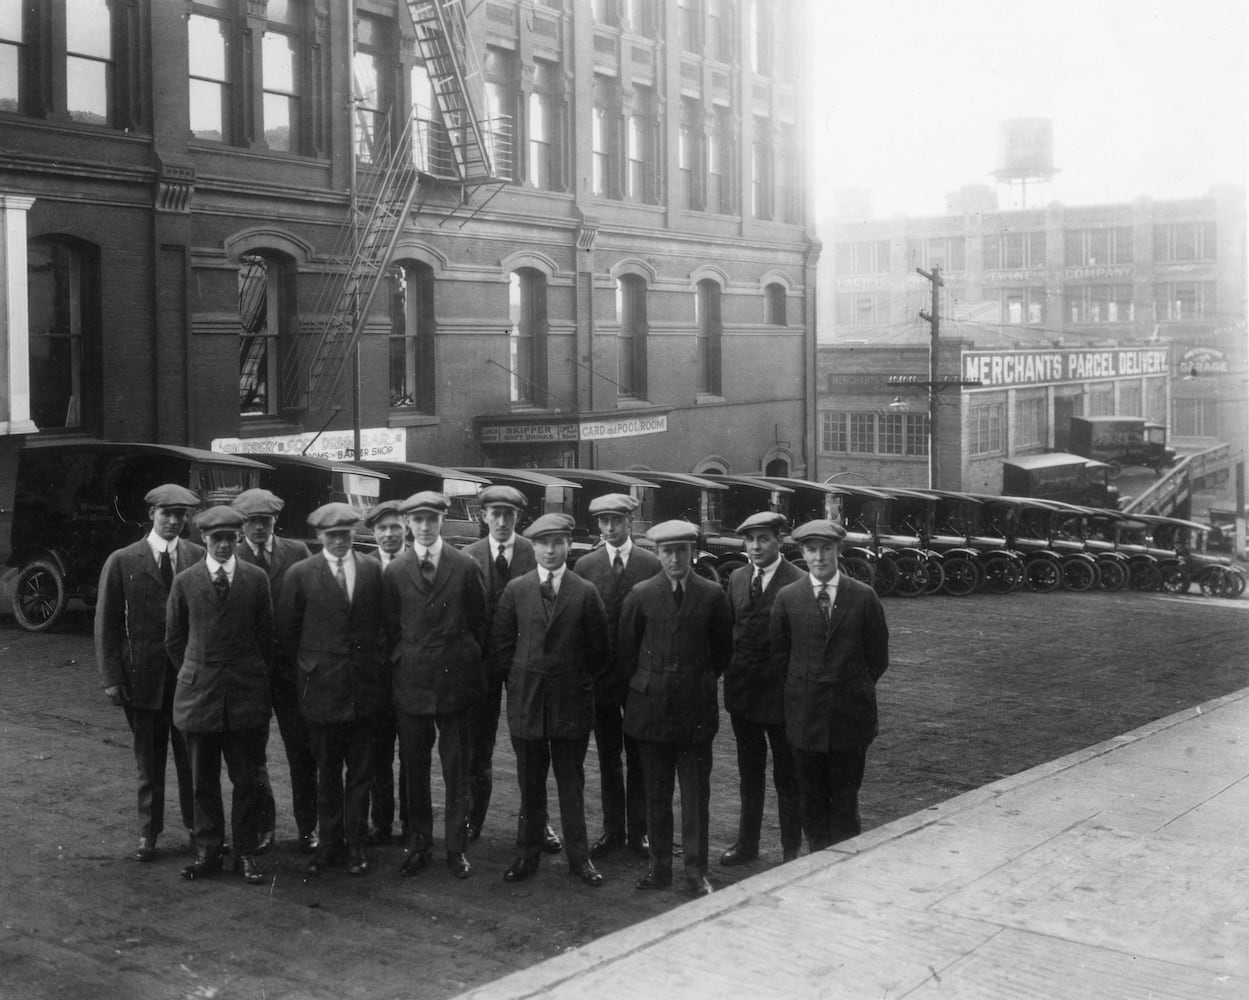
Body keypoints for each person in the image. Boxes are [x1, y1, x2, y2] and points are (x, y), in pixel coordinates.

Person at [493, 513, 611, 887]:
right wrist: (522, 680)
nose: (550, 550)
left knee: (571, 784)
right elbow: (501, 646)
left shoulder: (584, 590)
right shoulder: (516, 589)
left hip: (570, 705)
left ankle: (580, 859)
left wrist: (571, 680)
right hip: (527, 704)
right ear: (533, 547)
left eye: (557, 542)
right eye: (543, 543)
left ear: (567, 547)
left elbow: (599, 651)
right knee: (530, 785)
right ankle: (527, 856)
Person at [619, 520, 732, 897]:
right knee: (656, 793)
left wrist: (694, 680)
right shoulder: (640, 594)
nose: (674, 559)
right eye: (667, 551)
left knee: (695, 794)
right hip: (651, 710)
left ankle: (695, 871)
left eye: (682, 551)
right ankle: (659, 867)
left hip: (695, 711)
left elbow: (721, 654)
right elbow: (626, 654)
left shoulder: (713, 595)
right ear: (656, 553)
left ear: (693, 553)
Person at [166, 504, 274, 884]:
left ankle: (245, 853)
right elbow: (174, 638)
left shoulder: (256, 579)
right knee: (202, 780)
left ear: (239, 538)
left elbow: (266, 636)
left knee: (246, 780)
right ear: (205, 540)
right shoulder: (186, 581)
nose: (224, 546)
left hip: (245, 697)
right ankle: (208, 851)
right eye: (217, 539)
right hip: (200, 697)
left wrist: (249, 674)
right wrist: (196, 672)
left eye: (231, 538)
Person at [382, 491, 487, 881]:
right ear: (408, 524)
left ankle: (456, 848)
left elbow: (479, 620)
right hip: (411, 682)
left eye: (432, 519)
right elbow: (391, 626)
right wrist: (406, 659)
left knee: (457, 769)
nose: (425, 527)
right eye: (417, 520)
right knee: (415, 768)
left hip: (455, 682)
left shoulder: (464, 565)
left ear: (442, 521)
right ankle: (419, 844)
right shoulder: (395, 571)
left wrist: (459, 656)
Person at [278, 503, 386, 878]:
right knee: (326, 773)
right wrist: (310, 671)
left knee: (360, 774)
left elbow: (383, 626)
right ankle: (328, 844)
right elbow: (287, 634)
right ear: (320, 537)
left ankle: (356, 845)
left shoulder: (372, 571)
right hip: (320, 691)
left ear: (354, 534)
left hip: (362, 692)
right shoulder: (301, 574)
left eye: (346, 534)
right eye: (332, 535)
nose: (340, 541)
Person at [95, 483, 203, 863]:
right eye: (166, 514)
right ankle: (148, 833)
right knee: (148, 761)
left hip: (189, 681)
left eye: (180, 515)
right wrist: (112, 677)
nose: (173, 521)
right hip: (141, 681)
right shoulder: (124, 560)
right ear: (151, 515)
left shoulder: (198, 556)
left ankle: (198, 830)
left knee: (193, 760)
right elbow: (106, 624)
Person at [769, 519, 889, 852]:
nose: (819, 557)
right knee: (811, 801)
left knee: (845, 801)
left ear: (839, 550)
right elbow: (780, 658)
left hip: (849, 720)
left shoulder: (863, 597)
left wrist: (847, 688)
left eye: (826, 549)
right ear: (802, 553)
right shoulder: (788, 598)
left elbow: (877, 658)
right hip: (805, 721)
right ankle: (816, 862)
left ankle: (846, 867)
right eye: (811, 550)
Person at [463, 485, 561, 855]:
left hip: (527, 666)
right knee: (478, 747)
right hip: (483, 667)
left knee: (533, 747)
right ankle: (474, 817)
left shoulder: (533, 551)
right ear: (483, 516)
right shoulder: (468, 557)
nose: (502, 521)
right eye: (495, 514)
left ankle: (539, 820)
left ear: (519, 517)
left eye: (509, 514)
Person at [570, 493, 660, 859]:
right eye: (602, 522)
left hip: (639, 679)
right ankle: (613, 830)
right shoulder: (586, 566)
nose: (608, 528)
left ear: (630, 522)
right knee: (609, 756)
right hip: (602, 680)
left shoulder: (651, 563)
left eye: (616, 521)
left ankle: (640, 831)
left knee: (639, 755)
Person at [232, 487, 316, 855]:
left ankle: (308, 827)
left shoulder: (296, 553)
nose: (258, 529)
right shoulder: (227, 556)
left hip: (291, 676)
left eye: (264, 521)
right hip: (249, 678)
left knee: (302, 753)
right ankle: (264, 827)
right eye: (251, 522)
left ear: (275, 521)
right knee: (253, 757)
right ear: (241, 525)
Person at [719, 511, 805, 867]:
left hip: (782, 697)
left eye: (763, 539)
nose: (755, 546)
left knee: (787, 775)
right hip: (744, 695)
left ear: (780, 540)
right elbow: (730, 631)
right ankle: (747, 844)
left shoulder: (797, 580)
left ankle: (790, 849)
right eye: (750, 539)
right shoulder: (738, 578)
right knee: (749, 773)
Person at [362, 498, 408, 846]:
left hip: (411, 678)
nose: (389, 534)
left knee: (411, 753)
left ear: (405, 527)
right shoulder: (365, 569)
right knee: (378, 753)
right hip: (374, 680)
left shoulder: (417, 564)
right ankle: (381, 821)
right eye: (382, 529)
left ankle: (411, 820)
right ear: (373, 533)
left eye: (395, 527)